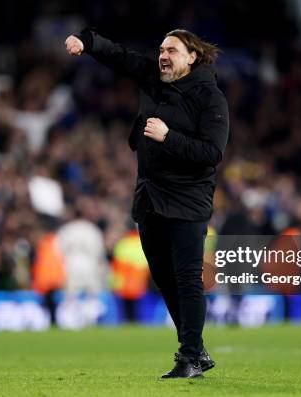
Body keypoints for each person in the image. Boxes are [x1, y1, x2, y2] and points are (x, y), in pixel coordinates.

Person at [65, 28, 229, 378]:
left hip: (188, 199)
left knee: (187, 279)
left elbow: (211, 153)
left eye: (172, 50)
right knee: (165, 279)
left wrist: (169, 137)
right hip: (151, 196)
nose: (163, 55)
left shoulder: (210, 97)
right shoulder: (155, 77)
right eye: (160, 49)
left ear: (191, 57)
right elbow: (121, 55)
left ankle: (188, 357)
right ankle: (196, 352)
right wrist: (88, 42)